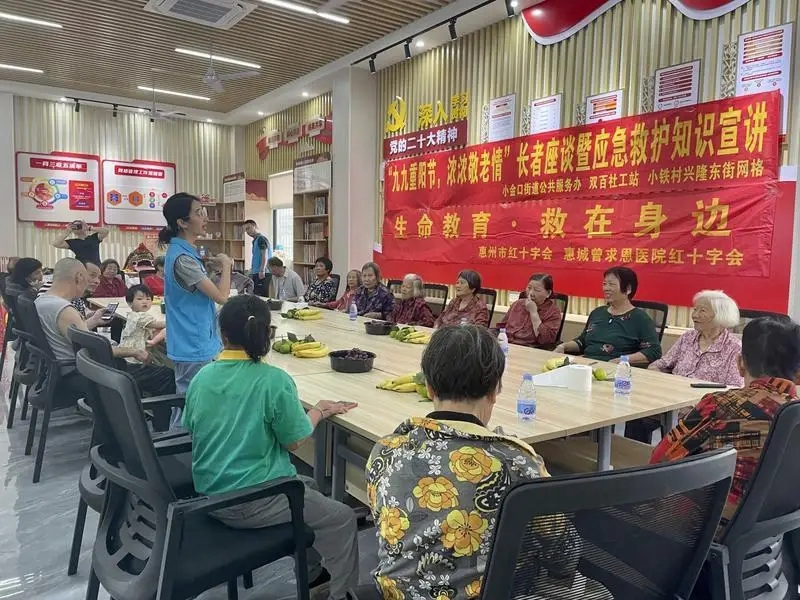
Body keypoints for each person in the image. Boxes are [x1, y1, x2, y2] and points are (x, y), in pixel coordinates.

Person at [367, 325, 579, 600]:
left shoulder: (386, 450)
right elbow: (565, 553)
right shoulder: (516, 462)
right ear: (495, 390)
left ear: (428, 387)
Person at [183, 295, 360, 600]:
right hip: (251, 500)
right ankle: (343, 595)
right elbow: (295, 441)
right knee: (342, 518)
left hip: (210, 493)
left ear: (222, 334)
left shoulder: (202, 377)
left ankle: (312, 573)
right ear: (268, 334)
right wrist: (318, 411)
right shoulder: (274, 380)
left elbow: (192, 427)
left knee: (309, 485)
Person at [651, 317, 800, 539]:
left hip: (705, 535)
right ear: (798, 374)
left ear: (740, 364)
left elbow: (659, 462)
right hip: (773, 538)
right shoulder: (793, 415)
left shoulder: (719, 406)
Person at [35, 258, 175, 400]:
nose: (93, 282)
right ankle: (140, 411)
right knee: (166, 375)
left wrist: (94, 320)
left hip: (68, 369)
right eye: (89, 278)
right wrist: (134, 351)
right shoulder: (64, 309)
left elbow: (73, 334)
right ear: (79, 277)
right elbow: (95, 347)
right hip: (86, 372)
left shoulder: (42, 301)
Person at [160, 192, 231, 395]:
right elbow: (221, 297)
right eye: (199, 213)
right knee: (194, 402)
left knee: (191, 398)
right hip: (193, 343)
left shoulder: (184, 252)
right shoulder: (183, 259)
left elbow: (196, 291)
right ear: (182, 222)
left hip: (193, 340)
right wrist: (227, 265)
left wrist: (212, 270)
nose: (205, 218)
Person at [554, 266, 661, 365]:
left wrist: (622, 360)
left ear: (628, 289)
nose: (606, 288)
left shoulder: (640, 318)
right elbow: (582, 341)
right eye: (604, 284)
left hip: (614, 370)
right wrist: (563, 346)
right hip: (586, 365)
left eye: (611, 284)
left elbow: (653, 351)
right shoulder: (597, 313)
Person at [649, 290, 743, 386]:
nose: (694, 315)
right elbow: (661, 364)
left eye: (702, 310)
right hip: (675, 390)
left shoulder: (734, 348)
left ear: (721, 315)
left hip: (707, 395)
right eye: (695, 309)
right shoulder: (687, 337)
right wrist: (657, 374)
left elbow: (735, 388)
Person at [497, 274, 562, 346]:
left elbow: (546, 340)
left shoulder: (553, 312)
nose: (531, 293)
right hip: (506, 344)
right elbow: (501, 327)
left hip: (529, 348)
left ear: (548, 293)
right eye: (529, 288)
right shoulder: (517, 304)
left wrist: (533, 313)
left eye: (537, 290)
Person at [119, 284, 169, 367]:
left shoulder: (132, 314)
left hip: (129, 348)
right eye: (140, 299)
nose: (145, 301)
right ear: (130, 303)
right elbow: (156, 324)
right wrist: (172, 322)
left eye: (148, 299)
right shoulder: (140, 316)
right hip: (136, 351)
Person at [243, 219, 271, 296]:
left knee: (261, 296)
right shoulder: (255, 240)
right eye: (245, 230)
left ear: (254, 226)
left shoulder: (261, 239)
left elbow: (265, 255)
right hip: (256, 272)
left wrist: (262, 270)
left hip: (262, 273)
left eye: (248, 228)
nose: (247, 231)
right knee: (255, 295)